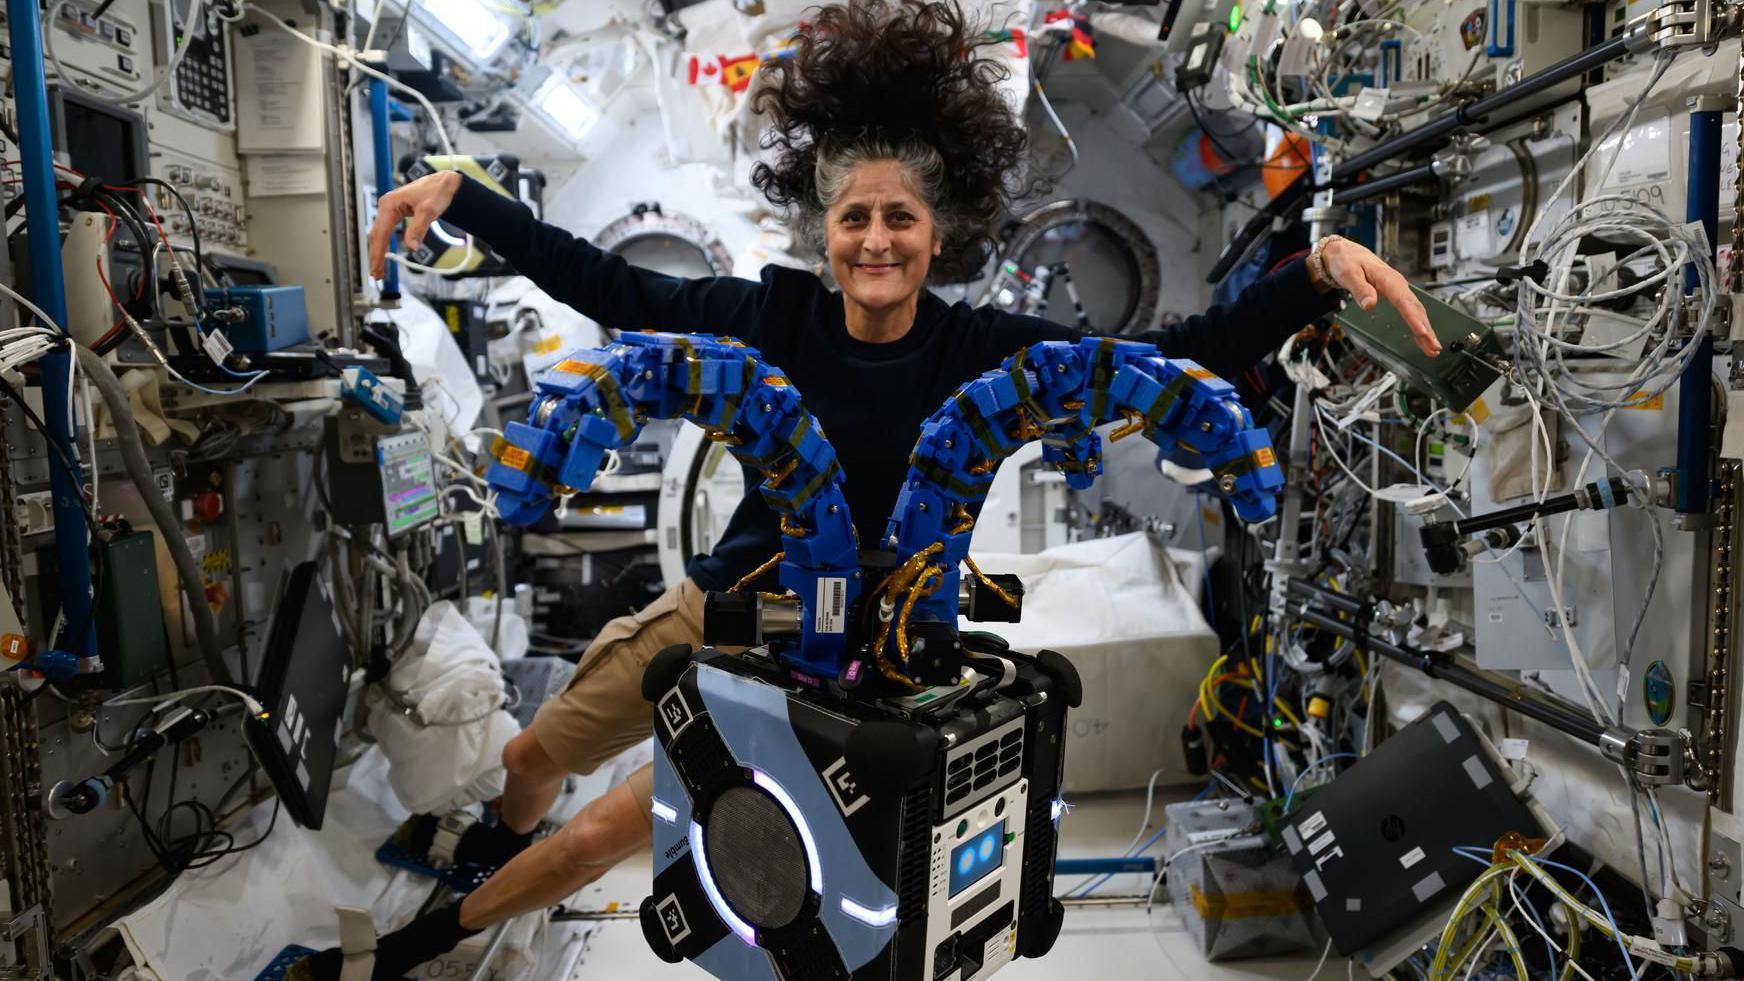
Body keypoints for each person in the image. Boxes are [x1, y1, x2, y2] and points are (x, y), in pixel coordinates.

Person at [293, 2, 1437, 976]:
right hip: (729, 601)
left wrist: (1313, 274)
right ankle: (487, 854)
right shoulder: (767, 318)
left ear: (938, 236)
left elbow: (1167, 352)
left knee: (604, 830)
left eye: (900, 218)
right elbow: (606, 284)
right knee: (538, 753)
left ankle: (413, 952)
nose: (875, 240)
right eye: (855, 218)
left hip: (864, 647)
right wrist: (470, 199)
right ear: (824, 230)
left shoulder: (980, 348)